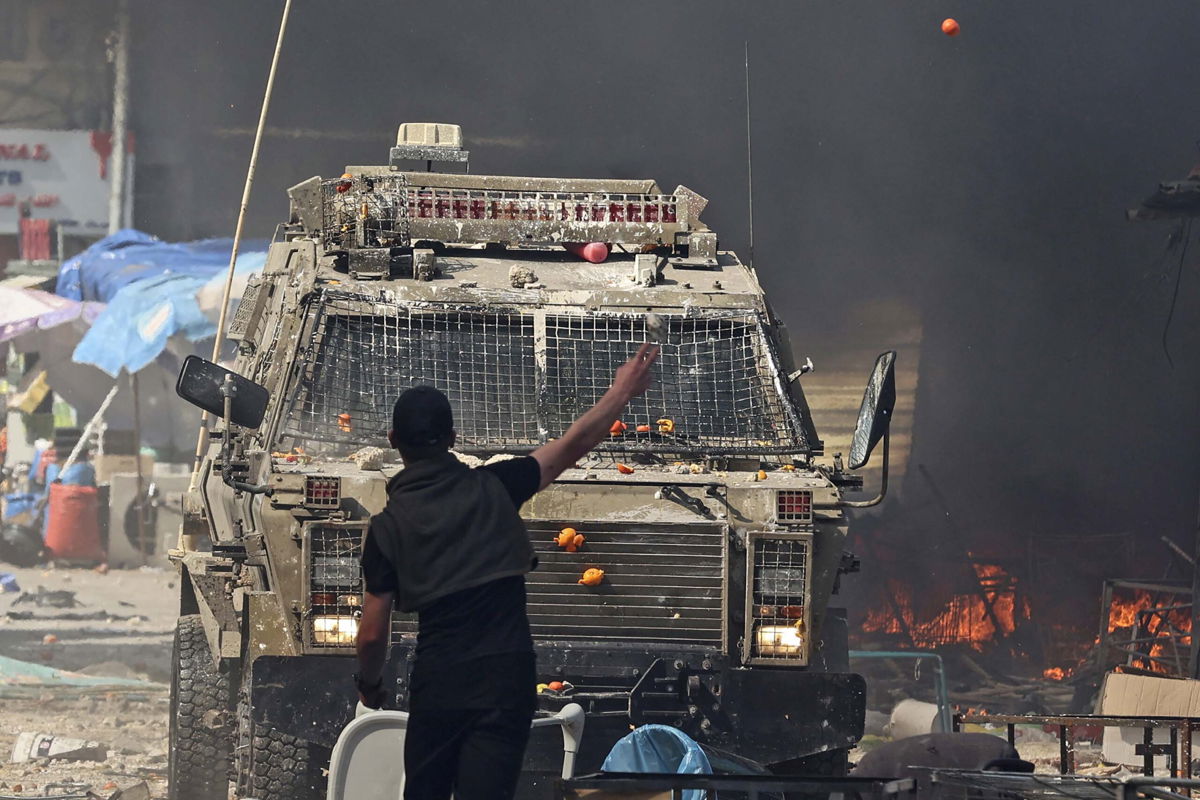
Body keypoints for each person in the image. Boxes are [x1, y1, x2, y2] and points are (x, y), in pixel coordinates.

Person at [355, 342, 660, 800]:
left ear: (394, 440)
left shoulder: (386, 530)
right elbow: (573, 443)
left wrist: (370, 686)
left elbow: (373, 635)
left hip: (441, 682)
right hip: (507, 680)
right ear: (453, 438)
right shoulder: (498, 486)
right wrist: (621, 393)